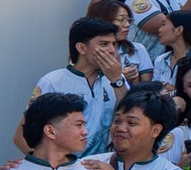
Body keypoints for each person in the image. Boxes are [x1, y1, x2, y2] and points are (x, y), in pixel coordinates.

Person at [30, 18, 126, 155]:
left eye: (114, 44)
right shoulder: (53, 81)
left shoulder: (117, 79)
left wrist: (117, 80)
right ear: (81, 48)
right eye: (104, 44)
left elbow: (129, 114)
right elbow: (23, 134)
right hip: (66, 165)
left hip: (103, 164)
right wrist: (47, 164)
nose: (111, 50)